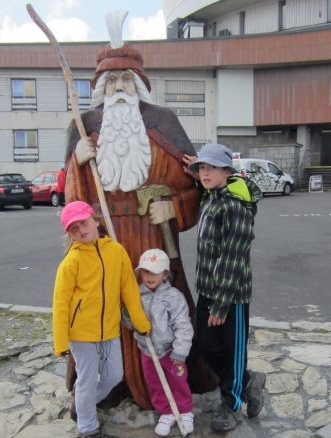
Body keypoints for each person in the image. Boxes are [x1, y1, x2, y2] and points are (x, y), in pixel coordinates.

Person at [63, 13, 214, 408]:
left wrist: (174, 207)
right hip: (104, 238)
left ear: (139, 84)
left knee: (158, 305)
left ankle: (160, 384)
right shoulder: (82, 126)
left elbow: (195, 183)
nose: (119, 87)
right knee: (104, 304)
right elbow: (72, 200)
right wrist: (78, 161)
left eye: (126, 80)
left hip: (151, 237)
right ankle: (110, 385)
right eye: (111, 80)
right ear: (101, 86)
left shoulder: (163, 121)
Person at [53, 201, 151, 438]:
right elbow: (61, 303)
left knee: (114, 376)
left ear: (96, 220)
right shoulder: (72, 261)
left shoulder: (116, 251)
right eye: (74, 228)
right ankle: (88, 426)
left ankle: (81, 402)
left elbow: (129, 290)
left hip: (109, 329)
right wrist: (61, 341)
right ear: (70, 234)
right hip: (80, 334)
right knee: (86, 379)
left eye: (83, 223)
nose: (81, 230)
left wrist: (141, 323)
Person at [185, 143, 266, 432]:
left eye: (212, 168)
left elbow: (233, 259)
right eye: (202, 168)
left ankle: (232, 406)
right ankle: (248, 381)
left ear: (227, 171)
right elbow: (207, 183)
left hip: (231, 295)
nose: (205, 173)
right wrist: (198, 174)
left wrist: (221, 304)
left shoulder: (235, 208)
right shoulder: (211, 198)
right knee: (206, 346)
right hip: (208, 290)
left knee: (233, 351)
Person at [122, 249, 195, 436]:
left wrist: (180, 351)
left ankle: (185, 411)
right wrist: (127, 314)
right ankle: (166, 412)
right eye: (146, 271)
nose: (150, 276)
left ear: (165, 274)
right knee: (154, 383)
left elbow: (183, 325)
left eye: (155, 272)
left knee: (178, 381)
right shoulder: (136, 295)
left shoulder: (174, 297)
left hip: (171, 352)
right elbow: (131, 324)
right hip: (148, 350)